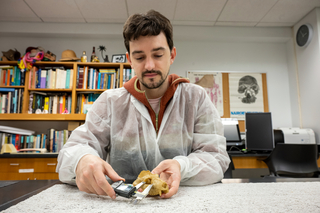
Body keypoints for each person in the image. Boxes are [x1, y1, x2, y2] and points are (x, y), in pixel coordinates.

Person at [56, 10, 230, 200]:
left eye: (157, 55)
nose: (149, 65)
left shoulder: (196, 98)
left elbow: (216, 159)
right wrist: (81, 159)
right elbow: (72, 150)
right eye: (139, 57)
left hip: (182, 202)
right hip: (121, 204)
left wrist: (182, 166)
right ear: (129, 59)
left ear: (172, 55)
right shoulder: (110, 102)